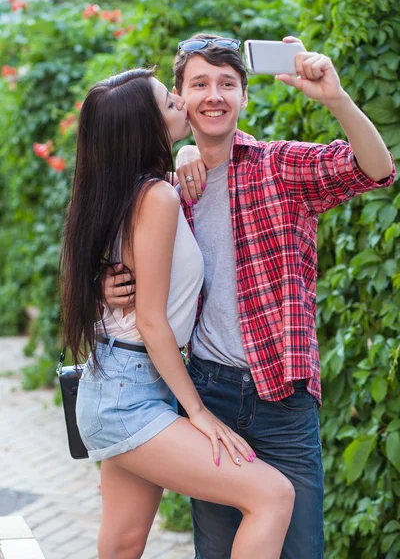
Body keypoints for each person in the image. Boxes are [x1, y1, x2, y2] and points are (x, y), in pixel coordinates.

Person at [104, 35, 395, 559]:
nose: (213, 95)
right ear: (179, 98)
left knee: (301, 549)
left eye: (227, 84)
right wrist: (108, 282)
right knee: (216, 551)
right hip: (205, 391)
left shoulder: (278, 166)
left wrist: (336, 99)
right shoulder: (167, 185)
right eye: (199, 84)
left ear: (244, 98)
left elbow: (374, 169)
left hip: (281, 397)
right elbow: (113, 259)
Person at [60, 67, 295, 559]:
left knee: (123, 544)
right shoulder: (157, 197)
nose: (184, 105)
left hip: (117, 382)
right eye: (171, 102)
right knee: (272, 495)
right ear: (146, 127)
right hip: (130, 391)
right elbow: (151, 321)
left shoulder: (124, 189)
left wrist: (187, 151)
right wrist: (200, 414)